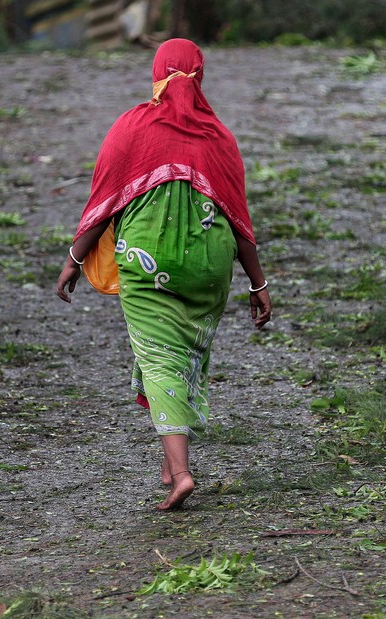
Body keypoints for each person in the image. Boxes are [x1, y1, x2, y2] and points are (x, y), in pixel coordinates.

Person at [56, 38, 272, 511]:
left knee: (157, 355)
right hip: (209, 264)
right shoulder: (218, 135)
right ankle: (166, 458)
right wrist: (257, 284)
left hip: (149, 260)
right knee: (182, 350)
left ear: (156, 76)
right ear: (200, 77)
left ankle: (181, 472)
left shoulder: (132, 126)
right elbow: (239, 218)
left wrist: (75, 259)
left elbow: (102, 202)